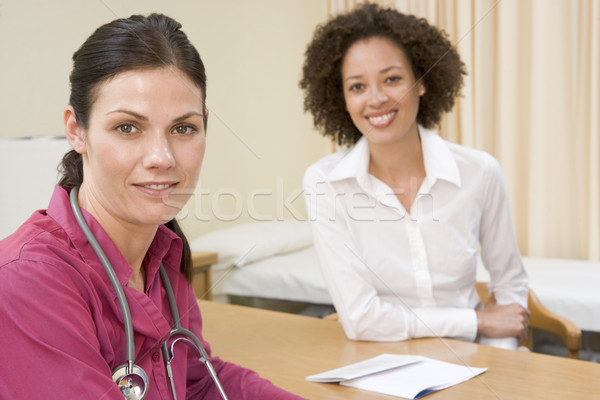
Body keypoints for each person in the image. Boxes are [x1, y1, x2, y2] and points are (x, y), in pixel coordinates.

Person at [0, 14, 305, 400]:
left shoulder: (162, 256)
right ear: (77, 130)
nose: (161, 157)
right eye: (128, 127)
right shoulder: (25, 281)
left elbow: (195, 382)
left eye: (183, 128)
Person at [300, 3, 530, 349]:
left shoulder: (480, 171)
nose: (376, 99)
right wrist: (477, 320)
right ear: (342, 99)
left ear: (421, 81)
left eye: (392, 79)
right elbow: (361, 319)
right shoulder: (325, 182)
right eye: (357, 86)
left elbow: (511, 285)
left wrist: (502, 350)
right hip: (380, 362)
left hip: (475, 354)